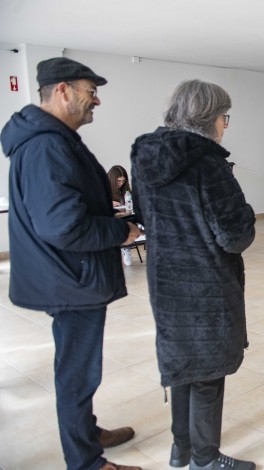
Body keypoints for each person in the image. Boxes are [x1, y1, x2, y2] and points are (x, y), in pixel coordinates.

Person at [0, 57, 142, 470]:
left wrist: (108, 217)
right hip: (68, 279)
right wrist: (121, 233)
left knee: (78, 368)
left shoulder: (51, 139)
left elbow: (64, 211)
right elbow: (62, 226)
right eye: (89, 91)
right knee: (78, 373)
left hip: (65, 274)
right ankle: (86, 462)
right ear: (61, 90)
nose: (95, 100)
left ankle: (85, 431)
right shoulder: (47, 144)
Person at [131, 79, 256, 470]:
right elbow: (235, 235)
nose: (226, 125)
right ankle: (205, 458)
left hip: (165, 279)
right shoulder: (208, 163)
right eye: (224, 116)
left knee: (182, 365)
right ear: (208, 119)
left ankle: (180, 448)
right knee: (208, 371)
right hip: (206, 285)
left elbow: (145, 215)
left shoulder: (143, 156)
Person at [108, 165, 136, 266]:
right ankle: (123, 248)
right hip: (110, 218)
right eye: (118, 181)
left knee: (130, 221)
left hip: (124, 215)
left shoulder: (125, 189)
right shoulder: (103, 187)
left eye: (123, 181)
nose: (121, 183)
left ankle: (126, 248)